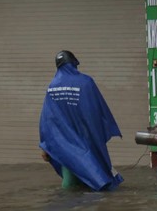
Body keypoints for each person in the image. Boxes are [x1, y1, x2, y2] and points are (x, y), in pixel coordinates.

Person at [39, 50, 124, 191]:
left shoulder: (52, 87)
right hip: (87, 142)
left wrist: (45, 145)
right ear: (73, 63)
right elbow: (98, 111)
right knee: (95, 178)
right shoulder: (86, 82)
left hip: (65, 145)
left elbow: (47, 120)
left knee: (70, 186)